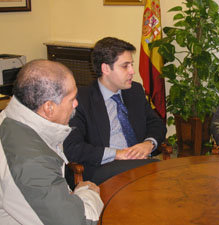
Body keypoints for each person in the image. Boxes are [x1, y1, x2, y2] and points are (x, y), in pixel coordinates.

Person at [0, 59, 103, 225]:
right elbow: (78, 222)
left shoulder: (10, 119)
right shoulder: (31, 161)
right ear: (49, 108)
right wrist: (88, 193)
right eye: (72, 99)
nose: (76, 103)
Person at [63, 37, 167, 185]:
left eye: (132, 65)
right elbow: (73, 148)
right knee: (158, 171)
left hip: (138, 164)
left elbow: (156, 124)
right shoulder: (82, 100)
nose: (132, 71)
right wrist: (118, 154)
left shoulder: (135, 91)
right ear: (105, 69)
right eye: (125, 66)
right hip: (102, 169)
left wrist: (148, 144)